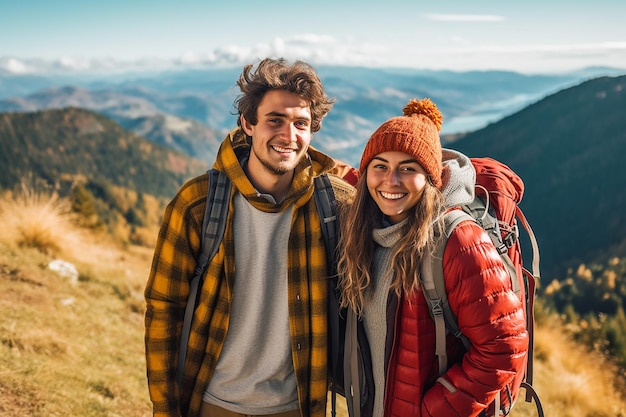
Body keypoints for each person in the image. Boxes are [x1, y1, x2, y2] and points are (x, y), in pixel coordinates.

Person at [144, 57, 355, 417]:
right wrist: (165, 409)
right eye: (275, 120)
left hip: (300, 405)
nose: (289, 136)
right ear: (248, 124)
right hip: (213, 403)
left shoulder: (335, 205)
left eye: (301, 123)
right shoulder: (197, 203)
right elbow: (163, 309)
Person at [336, 98, 529, 417]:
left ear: (430, 178)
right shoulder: (366, 232)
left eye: (408, 169)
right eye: (380, 166)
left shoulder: (457, 241)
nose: (391, 181)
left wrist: (432, 412)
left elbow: (504, 348)